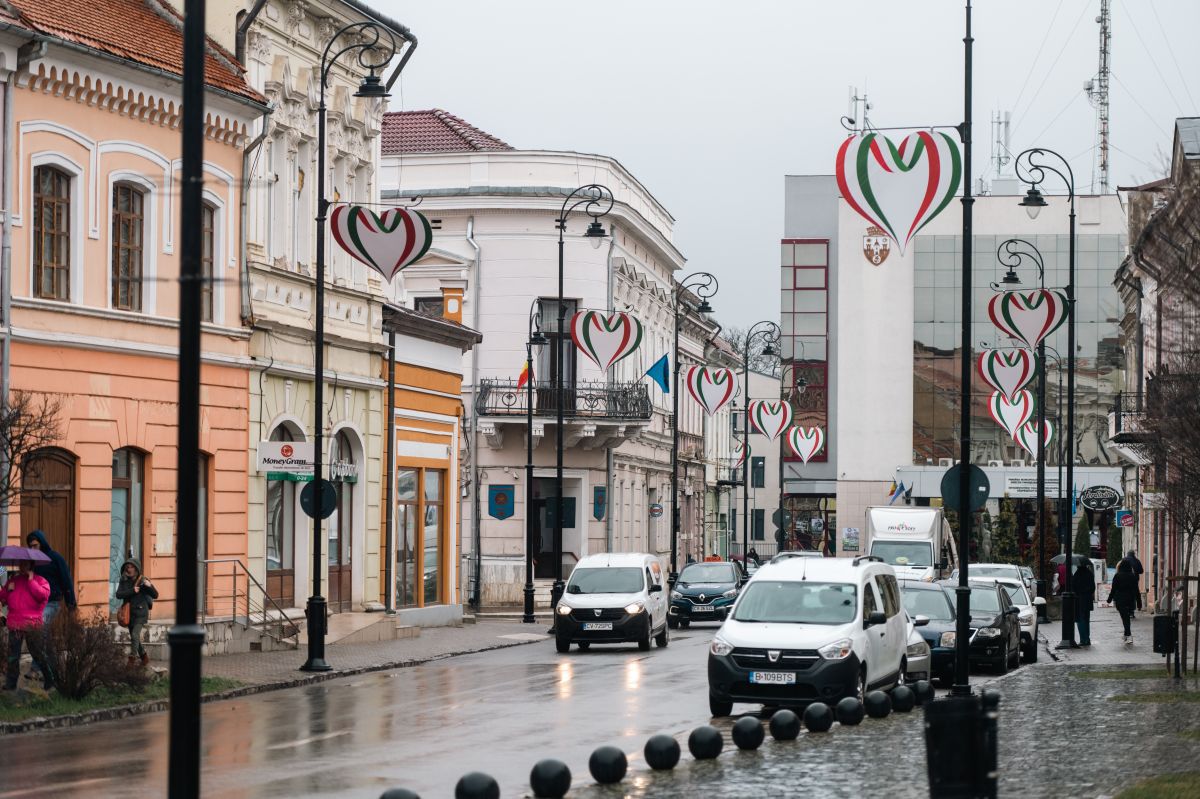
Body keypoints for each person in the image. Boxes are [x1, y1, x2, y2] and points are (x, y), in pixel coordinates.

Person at [25, 530, 76, 680]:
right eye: (30, 546)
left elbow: (66, 580)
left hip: (51, 602)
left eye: (35, 545)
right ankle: (54, 670)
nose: (33, 549)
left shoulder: (55, 558)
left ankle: (35, 669)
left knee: (40, 630)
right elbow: (14, 571)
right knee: (42, 638)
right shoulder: (30, 562)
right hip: (34, 604)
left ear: (42, 543)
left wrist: (71, 603)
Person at [0, 559, 54, 691]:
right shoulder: (14, 580)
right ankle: (11, 683)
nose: (22, 567)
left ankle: (50, 679)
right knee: (13, 655)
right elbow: (3, 598)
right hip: (15, 624)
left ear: (31, 566)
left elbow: (43, 596)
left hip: (32, 624)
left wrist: (31, 581)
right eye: (21, 564)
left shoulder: (41, 581)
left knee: (38, 654)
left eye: (25, 564)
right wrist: (7, 590)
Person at [115, 559, 157, 667]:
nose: (129, 569)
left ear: (136, 569)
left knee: (134, 635)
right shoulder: (123, 580)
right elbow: (118, 594)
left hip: (141, 612)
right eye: (127, 567)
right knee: (135, 639)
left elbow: (155, 595)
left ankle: (132, 659)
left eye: (131, 567)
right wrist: (133, 591)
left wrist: (149, 585)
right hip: (129, 613)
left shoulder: (142, 580)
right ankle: (144, 657)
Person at [1107, 560, 1141, 644]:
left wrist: (1109, 599)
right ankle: (1126, 634)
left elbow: (1113, 589)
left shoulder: (1117, 576)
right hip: (1130, 600)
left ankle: (1128, 635)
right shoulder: (1132, 576)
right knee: (1126, 618)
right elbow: (1137, 590)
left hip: (1120, 600)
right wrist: (1139, 603)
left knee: (1125, 618)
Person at [1072, 559, 1096, 646]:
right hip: (1088, 599)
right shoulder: (1089, 574)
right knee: (1086, 619)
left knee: (1080, 619)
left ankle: (1083, 639)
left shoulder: (1077, 574)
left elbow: (1073, 587)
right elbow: (1093, 587)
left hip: (1079, 600)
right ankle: (1087, 639)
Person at [1122, 549, 1145, 617]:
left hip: (1125, 580)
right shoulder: (1136, 561)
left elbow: (1119, 569)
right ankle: (1138, 607)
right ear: (1133, 554)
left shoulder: (1124, 560)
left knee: (1125, 594)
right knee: (1135, 594)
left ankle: (1126, 609)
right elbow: (1141, 571)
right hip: (1134, 580)